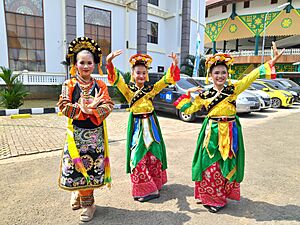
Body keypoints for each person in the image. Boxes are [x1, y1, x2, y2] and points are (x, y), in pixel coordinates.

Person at [174, 42, 284, 213]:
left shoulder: (233, 89)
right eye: (216, 72)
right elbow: (188, 109)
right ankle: (209, 197)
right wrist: (187, 95)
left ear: (227, 74)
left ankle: (219, 196)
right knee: (210, 166)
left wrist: (271, 62)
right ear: (210, 75)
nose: (220, 76)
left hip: (230, 132)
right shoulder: (205, 94)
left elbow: (252, 76)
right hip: (211, 133)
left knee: (225, 165)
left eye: (223, 72)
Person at [106, 50, 180, 202]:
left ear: (146, 75)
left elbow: (165, 81)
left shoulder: (150, 90)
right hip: (137, 126)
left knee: (154, 155)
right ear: (132, 74)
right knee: (137, 156)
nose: (141, 75)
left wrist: (174, 64)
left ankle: (154, 184)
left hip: (151, 125)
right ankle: (143, 189)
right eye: (138, 72)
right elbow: (117, 80)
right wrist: (109, 63)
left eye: (143, 73)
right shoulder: (128, 91)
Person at [57, 37, 114, 222]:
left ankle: (89, 205)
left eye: (90, 62)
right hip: (76, 137)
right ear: (75, 64)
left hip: (95, 137)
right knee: (75, 168)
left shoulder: (100, 85)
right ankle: (78, 193)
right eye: (82, 62)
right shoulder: (69, 85)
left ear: (95, 64)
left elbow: (109, 105)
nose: (86, 66)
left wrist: (93, 110)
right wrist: (82, 110)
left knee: (90, 170)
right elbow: (63, 106)